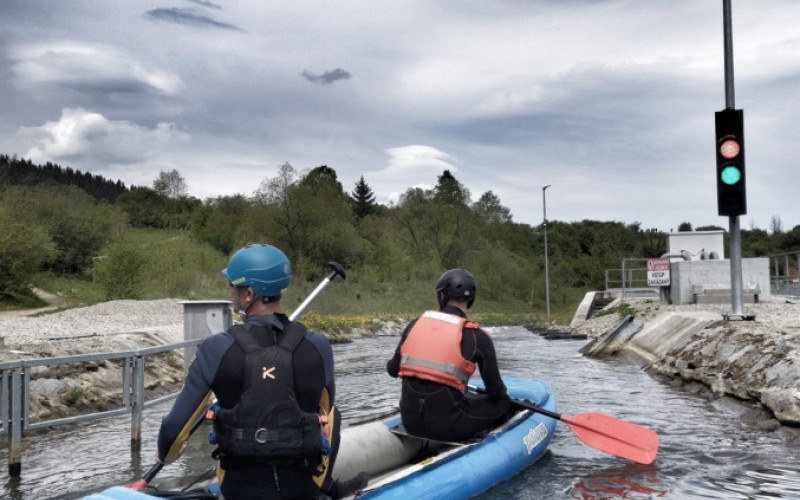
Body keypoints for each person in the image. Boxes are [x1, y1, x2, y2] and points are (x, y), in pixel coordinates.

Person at [156, 243, 366, 499]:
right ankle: (327, 488)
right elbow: (325, 408)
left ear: (249, 294)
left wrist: (167, 454)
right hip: (302, 487)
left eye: (233, 284)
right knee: (333, 414)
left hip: (238, 488)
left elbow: (172, 429)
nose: (228, 288)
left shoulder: (216, 348)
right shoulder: (318, 345)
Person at [386, 268, 512, 442]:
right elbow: (496, 391)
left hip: (411, 422)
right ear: (471, 300)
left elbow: (393, 370)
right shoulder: (479, 337)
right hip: (449, 428)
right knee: (503, 403)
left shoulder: (415, 324)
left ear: (442, 296)